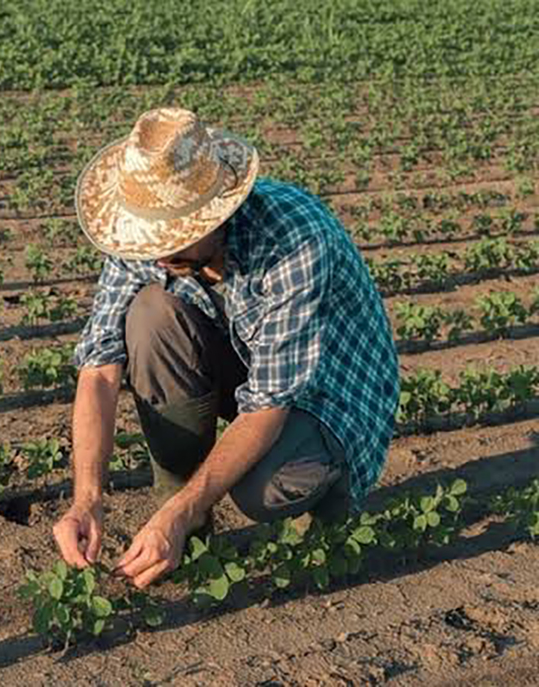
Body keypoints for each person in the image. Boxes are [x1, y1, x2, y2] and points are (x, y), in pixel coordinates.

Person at [52, 107, 399, 589]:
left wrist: (184, 511)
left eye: (176, 236)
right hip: (249, 371)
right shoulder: (144, 237)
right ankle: (182, 520)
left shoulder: (294, 241)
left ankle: (331, 495)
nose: (157, 253)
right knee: (152, 316)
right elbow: (99, 369)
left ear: (220, 210)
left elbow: (267, 407)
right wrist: (86, 499)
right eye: (153, 238)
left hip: (330, 394)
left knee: (264, 489)